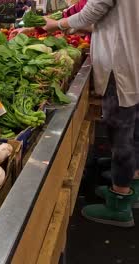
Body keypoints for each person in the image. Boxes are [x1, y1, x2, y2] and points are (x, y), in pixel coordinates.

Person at [44, 0, 139, 227]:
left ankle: (120, 202)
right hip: (131, 53)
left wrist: (58, 24)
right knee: (133, 126)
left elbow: (92, 11)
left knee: (120, 132)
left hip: (120, 59)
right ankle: (131, 182)